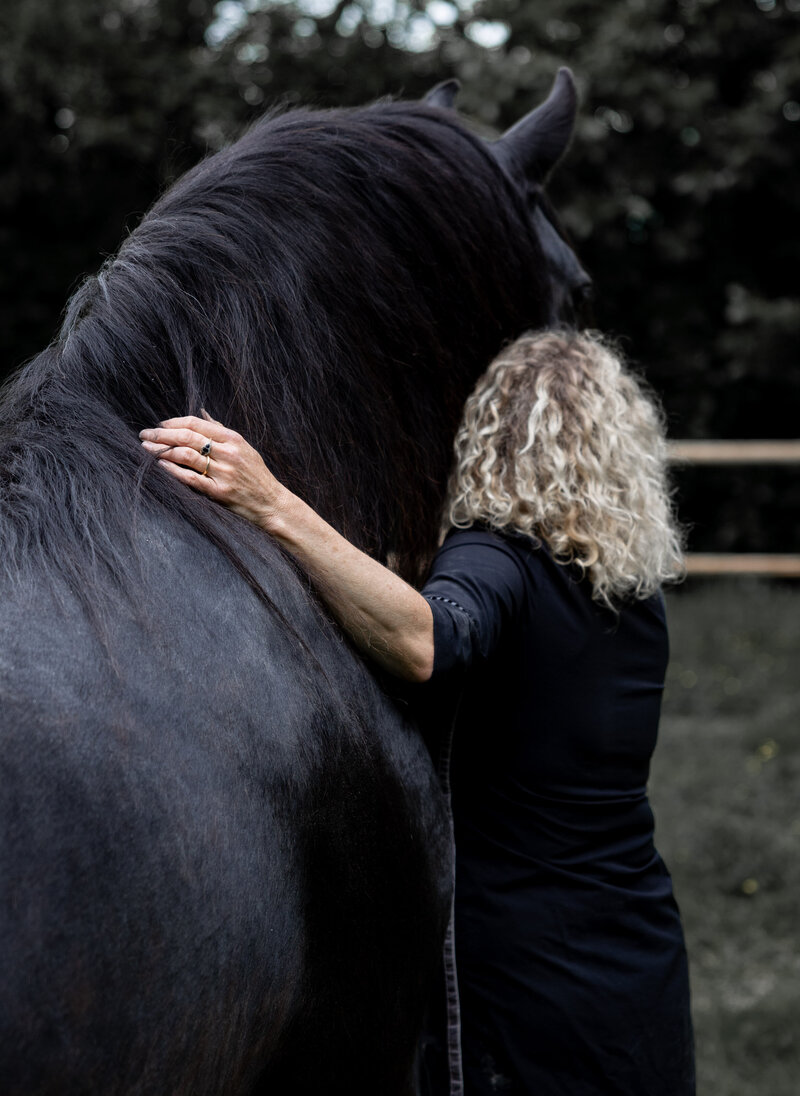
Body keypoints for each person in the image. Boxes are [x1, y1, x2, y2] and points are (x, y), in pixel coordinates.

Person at [139, 328, 695, 1095]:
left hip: (522, 971)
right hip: (637, 956)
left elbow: (429, 640)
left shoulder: (498, 556)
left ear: (493, 436)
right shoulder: (632, 596)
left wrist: (272, 504)